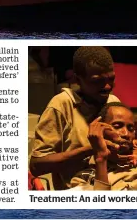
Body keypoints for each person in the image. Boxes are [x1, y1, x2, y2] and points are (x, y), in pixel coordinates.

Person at [30, 46, 122, 190]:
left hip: (115, 182)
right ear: (77, 79)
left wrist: (132, 148)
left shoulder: (112, 101)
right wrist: (91, 149)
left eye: (111, 79)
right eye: (97, 81)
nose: (107, 86)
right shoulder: (62, 105)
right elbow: (37, 165)